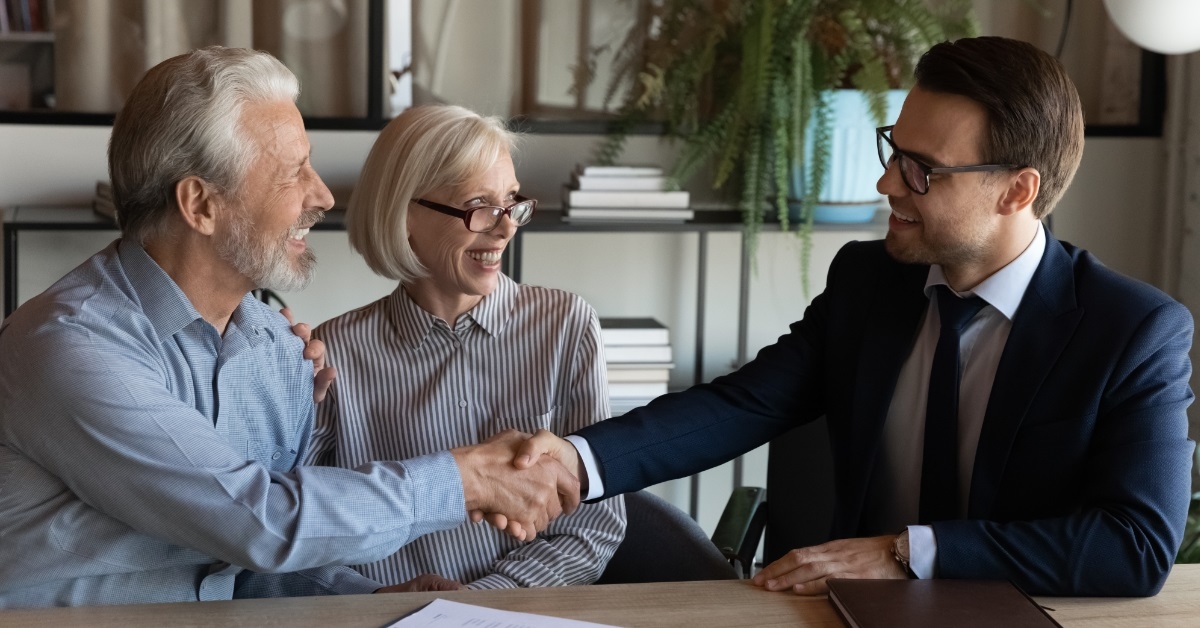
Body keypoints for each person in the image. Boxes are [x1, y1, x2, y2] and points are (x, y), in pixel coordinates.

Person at [514, 35, 1195, 597]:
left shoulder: (1131, 332)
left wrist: (908, 553)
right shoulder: (869, 281)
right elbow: (742, 404)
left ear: (1017, 191)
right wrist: (578, 459)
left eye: (922, 170)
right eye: (894, 150)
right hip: (851, 616)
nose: (886, 183)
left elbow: (1133, 546)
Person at [0, 47, 578, 609]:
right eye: (292, 172)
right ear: (200, 205)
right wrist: (465, 480)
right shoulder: (69, 347)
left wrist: (365, 599)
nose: (321, 195)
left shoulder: (277, 347)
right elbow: (259, 522)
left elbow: (240, 568)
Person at [302, 104, 625, 590]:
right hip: (382, 614)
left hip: (524, 615)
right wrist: (373, 596)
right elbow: (298, 526)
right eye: (480, 205)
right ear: (405, 214)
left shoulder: (566, 326)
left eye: (511, 201)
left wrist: (484, 599)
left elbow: (595, 526)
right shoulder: (334, 352)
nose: (506, 226)